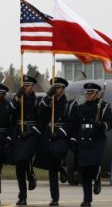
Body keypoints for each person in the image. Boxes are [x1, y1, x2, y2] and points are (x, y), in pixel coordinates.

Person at [71, 82, 112, 207]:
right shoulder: (80, 108)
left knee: (94, 166)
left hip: (96, 140)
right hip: (83, 139)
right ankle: (87, 199)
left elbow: (110, 123)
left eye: (91, 93)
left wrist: (102, 125)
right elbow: (75, 125)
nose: (88, 96)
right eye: (87, 93)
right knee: (84, 171)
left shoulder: (104, 106)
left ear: (97, 94)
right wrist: (73, 139)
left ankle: (97, 177)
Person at [36, 77, 76, 206]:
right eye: (54, 88)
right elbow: (40, 111)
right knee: (51, 170)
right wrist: (48, 96)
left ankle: (61, 165)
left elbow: (71, 124)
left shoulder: (69, 104)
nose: (56, 90)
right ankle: (55, 198)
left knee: (56, 155)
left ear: (63, 89)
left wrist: (58, 133)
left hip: (61, 137)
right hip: (49, 136)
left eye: (58, 88)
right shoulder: (50, 102)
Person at [9, 75, 40, 205]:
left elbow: (40, 117)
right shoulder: (18, 98)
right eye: (24, 85)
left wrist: (32, 131)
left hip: (30, 132)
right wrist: (17, 97)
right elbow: (11, 110)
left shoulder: (36, 100)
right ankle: (22, 195)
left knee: (24, 157)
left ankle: (31, 173)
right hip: (19, 131)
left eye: (28, 85)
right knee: (19, 165)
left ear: (32, 87)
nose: (25, 87)